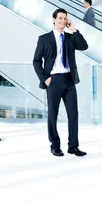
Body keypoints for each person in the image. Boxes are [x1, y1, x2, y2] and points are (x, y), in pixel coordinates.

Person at [33, 8, 88, 157]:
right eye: (60, 18)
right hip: (53, 80)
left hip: (69, 80)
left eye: (65, 18)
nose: (63, 21)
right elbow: (36, 61)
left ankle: (73, 146)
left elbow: (84, 46)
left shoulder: (70, 38)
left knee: (73, 114)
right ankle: (55, 145)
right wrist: (45, 78)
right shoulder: (44, 39)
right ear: (53, 19)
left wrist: (74, 30)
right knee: (53, 114)